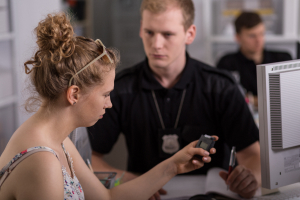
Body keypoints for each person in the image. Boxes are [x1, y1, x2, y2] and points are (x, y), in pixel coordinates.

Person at [0, 13, 218, 200]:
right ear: (74, 94)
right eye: (105, 94)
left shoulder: (58, 139)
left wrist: (174, 166)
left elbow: (106, 197)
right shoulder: (42, 162)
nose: (110, 103)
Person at [88, 0, 261, 199]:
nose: (156, 44)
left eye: (167, 34)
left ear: (190, 34)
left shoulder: (220, 87)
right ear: (140, 30)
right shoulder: (121, 88)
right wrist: (127, 179)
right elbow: (89, 158)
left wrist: (251, 179)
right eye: (149, 32)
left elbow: (251, 154)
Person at [217, 11, 292, 105]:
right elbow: (225, 99)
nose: (258, 40)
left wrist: (251, 100)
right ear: (238, 37)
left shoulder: (283, 60)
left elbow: (291, 96)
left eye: (261, 34)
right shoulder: (227, 63)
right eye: (252, 36)